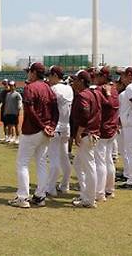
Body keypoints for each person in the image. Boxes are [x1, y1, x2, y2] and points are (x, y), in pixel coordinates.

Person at [8, 62, 58, 209]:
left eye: (29, 71)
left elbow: (29, 110)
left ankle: (23, 197)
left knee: (22, 163)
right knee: (41, 163)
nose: (28, 74)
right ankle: (40, 196)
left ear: (34, 72)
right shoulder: (49, 88)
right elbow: (56, 110)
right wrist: (51, 126)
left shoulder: (30, 87)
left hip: (32, 130)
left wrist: (43, 126)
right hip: (45, 131)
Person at [70, 70, 101, 208]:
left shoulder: (83, 95)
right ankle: (85, 194)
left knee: (89, 167)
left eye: (76, 79)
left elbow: (84, 114)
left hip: (86, 134)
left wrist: (78, 133)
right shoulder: (94, 94)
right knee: (78, 164)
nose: (73, 82)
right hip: (92, 133)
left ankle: (89, 199)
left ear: (82, 81)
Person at [45, 65, 73, 196]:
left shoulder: (53, 89)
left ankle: (50, 187)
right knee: (64, 157)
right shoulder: (69, 89)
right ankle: (65, 184)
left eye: (50, 75)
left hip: (56, 126)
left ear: (55, 76)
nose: (48, 78)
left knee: (54, 158)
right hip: (66, 126)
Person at [93, 66, 120, 200]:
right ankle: (109, 190)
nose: (95, 78)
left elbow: (105, 105)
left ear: (103, 76)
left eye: (97, 76)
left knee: (100, 162)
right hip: (112, 128)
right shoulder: (114, 89)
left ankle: (99, 193)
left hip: (103, 129)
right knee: (108, 160)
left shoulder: (101, 90)